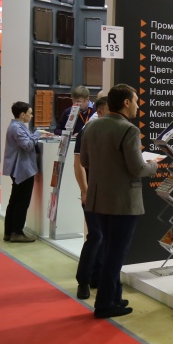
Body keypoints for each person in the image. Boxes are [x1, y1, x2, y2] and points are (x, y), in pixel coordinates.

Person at [80, 84, 160, 319]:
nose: (137, 106)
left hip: (99, 199)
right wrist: (153, 165)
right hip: (123, 201)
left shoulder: (92, 126)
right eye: (135, 101)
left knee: (109, 249)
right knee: (116, 254)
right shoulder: (129, 130)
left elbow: (85, 161)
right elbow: (137, 168)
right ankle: (105, 304)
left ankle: (114, 297)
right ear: (126, 103)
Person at [3, 101, 52, 242]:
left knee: (15, 200)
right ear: (22, 114)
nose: (32, 116)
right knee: (21, 202)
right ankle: (17, 232)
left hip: (20, 169)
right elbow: (28, 145)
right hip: (22, 170)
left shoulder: (17, 126)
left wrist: (37, 135)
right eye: (30, 113)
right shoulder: (17, 128)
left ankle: (9, 232)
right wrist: (37, 134)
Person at [73, 111, 105, 300]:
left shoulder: (109, 130)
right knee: (96, 235)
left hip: (108, 192)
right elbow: (78, 164)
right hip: (92, 193)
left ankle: (96, 277)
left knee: (102, 236)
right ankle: (83, 281)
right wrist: (84, 190)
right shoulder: (88, 130)